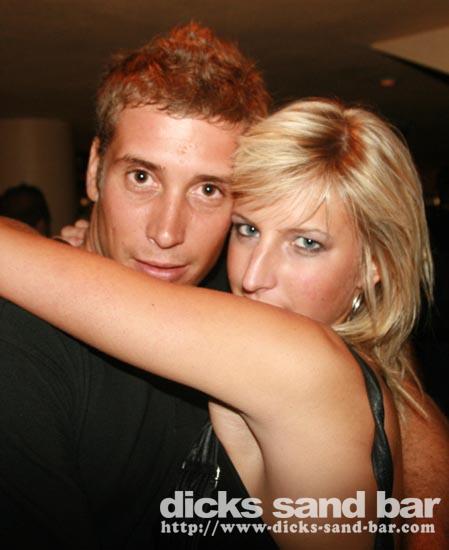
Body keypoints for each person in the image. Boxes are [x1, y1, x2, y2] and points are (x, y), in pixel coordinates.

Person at [1, 99, 448, 548]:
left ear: (374, 265)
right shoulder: (350, 371)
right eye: (248, 230)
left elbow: (21, 262)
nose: (254, 276)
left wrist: (67, 258)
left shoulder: (302, 366)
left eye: (307, 244)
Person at [0, 22, 269, 549]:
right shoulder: (19, 342)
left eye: (208, 190)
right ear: (94, 169)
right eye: (142, 177)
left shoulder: (251, 288)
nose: (167, 233)